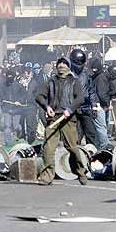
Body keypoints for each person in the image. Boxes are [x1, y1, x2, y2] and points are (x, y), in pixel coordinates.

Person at [36, 57, 87, 185]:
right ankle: (47, 176)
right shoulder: (50, 82)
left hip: (68, 119)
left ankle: (80, 171)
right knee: (48, 147)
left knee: (72, 148)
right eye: (60, 64)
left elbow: (80, 98)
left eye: (64, 64)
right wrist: (47, 107)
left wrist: (70, 110)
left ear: (69, 67)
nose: (62, 66)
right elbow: (39, 96)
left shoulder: (74, 82)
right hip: (53, 118)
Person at [69, 49, 98, 146]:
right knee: (75, 135)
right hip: (72, 108)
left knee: (91, 133)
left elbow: (92, 91)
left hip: (85, 107)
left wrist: (94, 106)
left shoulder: (87, 74)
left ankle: (93, 154)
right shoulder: (67, 75)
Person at [0, 69, 27, 145]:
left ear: (14, 77)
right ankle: (8, 143)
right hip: (6, 109)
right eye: (8, 76)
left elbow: (24, 95)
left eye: (11, 77)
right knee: (7, 126)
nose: (9, 78)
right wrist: (2, 100)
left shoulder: (19, 86)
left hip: (17, 110)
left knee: (16, 126)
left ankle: (19, 130)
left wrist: (19, 101)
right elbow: (0, 95)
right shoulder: (2, 86)